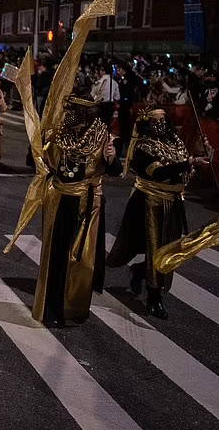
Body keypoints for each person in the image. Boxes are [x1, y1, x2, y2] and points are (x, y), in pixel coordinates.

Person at [107, 108, 208, 318]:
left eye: (163, 119)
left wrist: (200, 154)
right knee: (155, 248)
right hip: (150, 202)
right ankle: (154, 297)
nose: (160, 124)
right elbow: (159, 172)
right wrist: (188, 163)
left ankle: (140, 271)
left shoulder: (175, 142)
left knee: (170, 249)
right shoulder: (143, 147)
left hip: (174, 203)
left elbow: (184, 169)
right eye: (155, 120)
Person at [32, 96, 121, 327]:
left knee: (84, 258)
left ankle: (75, 306)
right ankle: (53, 308)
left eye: (79, 111)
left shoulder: (101, 136)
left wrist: (111, 157)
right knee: (58, 256)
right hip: (62, 200)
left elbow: (114, 170)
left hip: (88, 202)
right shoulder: (60, 134)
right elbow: (40, 162)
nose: (72, 114)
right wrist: (41, 140)